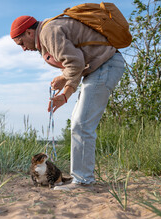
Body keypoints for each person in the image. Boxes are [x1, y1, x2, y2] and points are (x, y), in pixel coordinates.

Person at [10, 15, 125, 190]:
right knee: (78, 123)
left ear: (29, 32)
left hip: (106, 65)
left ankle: (83, 181)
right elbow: (77, 64)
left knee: (82, 124)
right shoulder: (47, 33)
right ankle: (80, 178)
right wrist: (65, 96)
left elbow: (76, 63)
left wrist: (63, 78)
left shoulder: (48, 32)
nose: (23, 49)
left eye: (21, 43)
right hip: (100, 67)